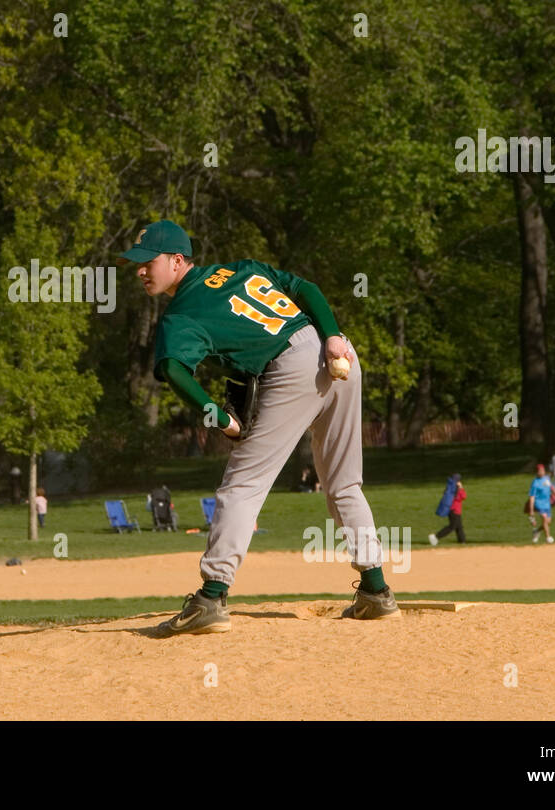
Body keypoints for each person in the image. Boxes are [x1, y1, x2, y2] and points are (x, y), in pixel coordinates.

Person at [119, 220, 398, 637]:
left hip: (293, 369)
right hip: (334, 352)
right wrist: (334, 335)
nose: (140, 271)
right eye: (136, 265)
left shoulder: (181, 313)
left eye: (148, 262)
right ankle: (376, 592)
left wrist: (216, 414)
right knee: (343, 483)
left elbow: (175, 369)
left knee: (242, 486)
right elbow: (306, 288)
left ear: (178, 260)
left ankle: (211, 598)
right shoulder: (240, 269)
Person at [428, 473, 467, 545]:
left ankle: (462, 541)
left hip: (453, 510)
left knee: (459, 526)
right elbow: (463, 496)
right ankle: (435, 537)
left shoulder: (450, 487)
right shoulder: (455, 488)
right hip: (454, 510)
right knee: (452, 526)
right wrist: (461, 487)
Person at [529, 463, 555, 543]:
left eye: (543, 470)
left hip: (547, 504)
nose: (542, 472)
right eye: (540, 471)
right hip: (539, 504)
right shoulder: (535, 483)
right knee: (544, 518)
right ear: (537, 472)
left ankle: (536, 531)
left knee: (547, 522)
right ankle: (548, 537)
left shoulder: (546, 478)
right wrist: (531, 510)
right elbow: (532, 497)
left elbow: (551, 484)